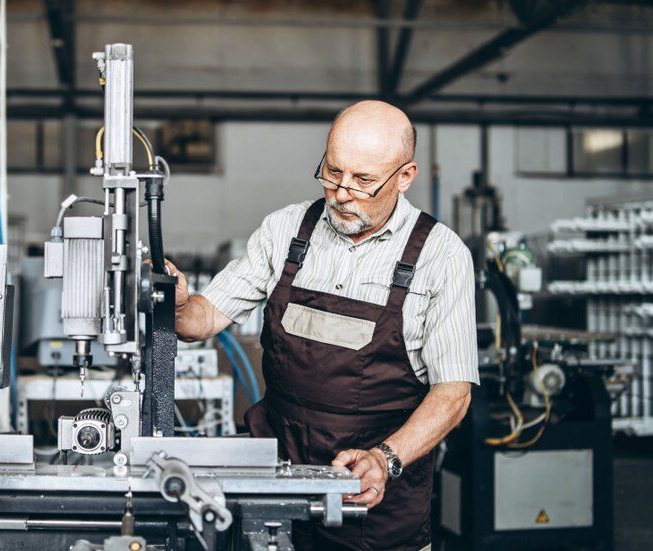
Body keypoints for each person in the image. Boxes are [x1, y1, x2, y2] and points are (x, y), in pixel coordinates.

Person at [170, 100, 479, 551]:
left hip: (373, 500)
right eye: (333, 172)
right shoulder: (286, 230)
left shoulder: (441, 257)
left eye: (364, 180)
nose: (341, 192)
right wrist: (177, 305)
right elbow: (203, 319)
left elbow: (454, 394)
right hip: (275, 486)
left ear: (406, 177)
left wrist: (385, 459)